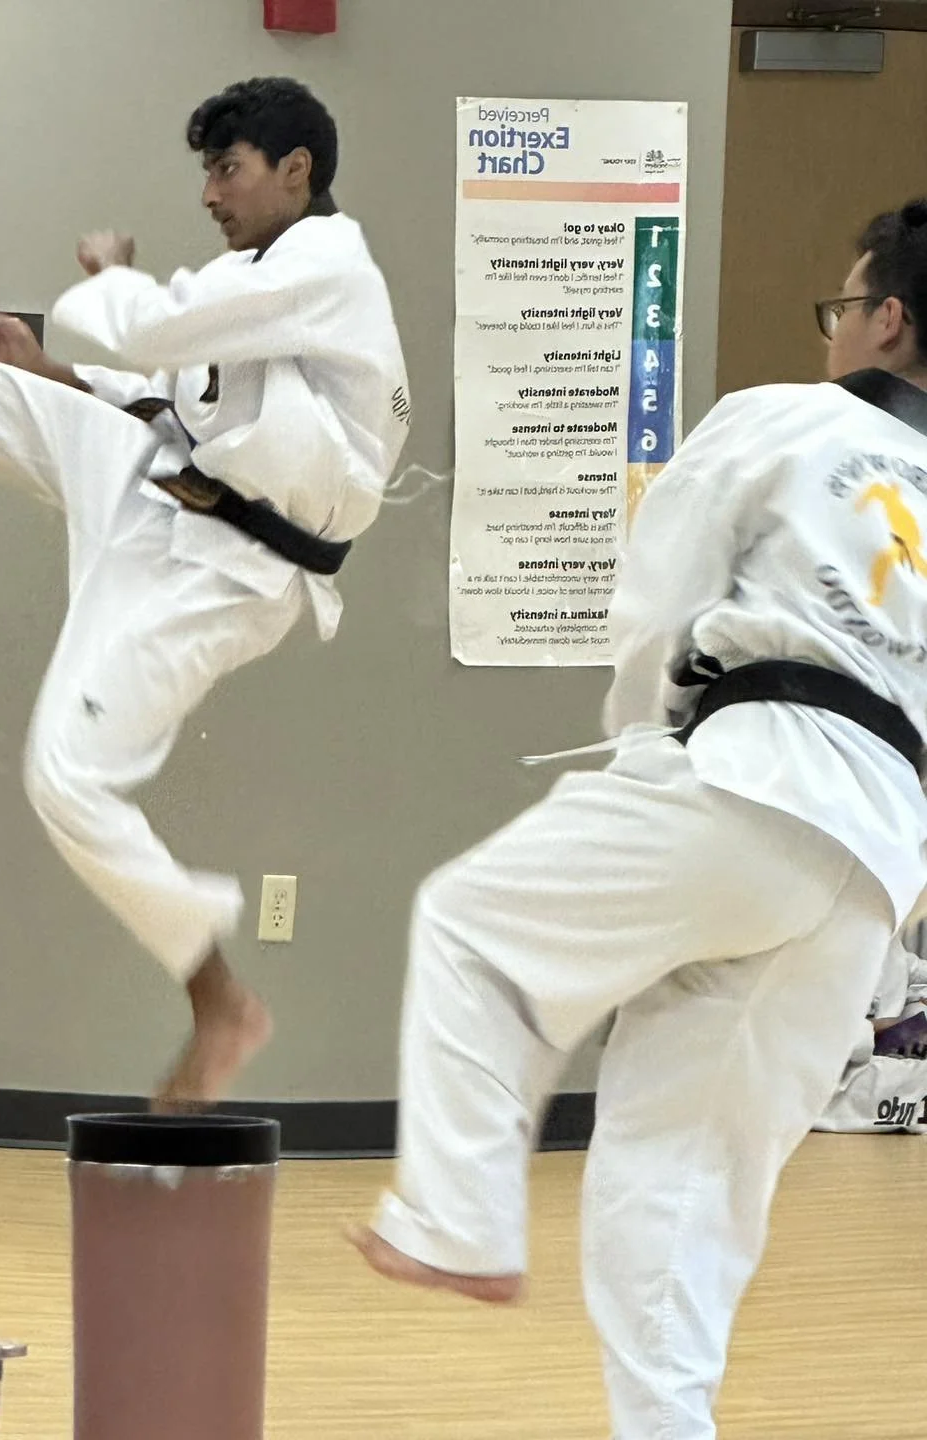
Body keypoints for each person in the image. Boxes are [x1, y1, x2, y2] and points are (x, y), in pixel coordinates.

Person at [349, 198, 927, 1440]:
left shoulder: (784, 417)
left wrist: (640, 750)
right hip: (880, 852)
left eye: (842, 307)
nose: (831, 333)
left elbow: (658, 595)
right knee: (681, 1192)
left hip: (749, 775)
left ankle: (457, 1221)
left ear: (886, 317)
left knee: (475, 929)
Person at [0, 76, 410, 1103]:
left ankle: (218, 999)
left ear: (297, 171)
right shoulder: (257, 282)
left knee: (65, 777)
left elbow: (152, 331)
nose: (208, 192)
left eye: (227, 168)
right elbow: (163, 396)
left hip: (231, 569)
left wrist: (112, 276)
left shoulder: (329, 266)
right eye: (205, 170)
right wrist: (51, 372)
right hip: (166, 496)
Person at [816, 919, 927, 1133]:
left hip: (882, 1064)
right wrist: (879, 1028)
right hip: (829, 1075)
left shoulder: (881, 925)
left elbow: (908, 968)